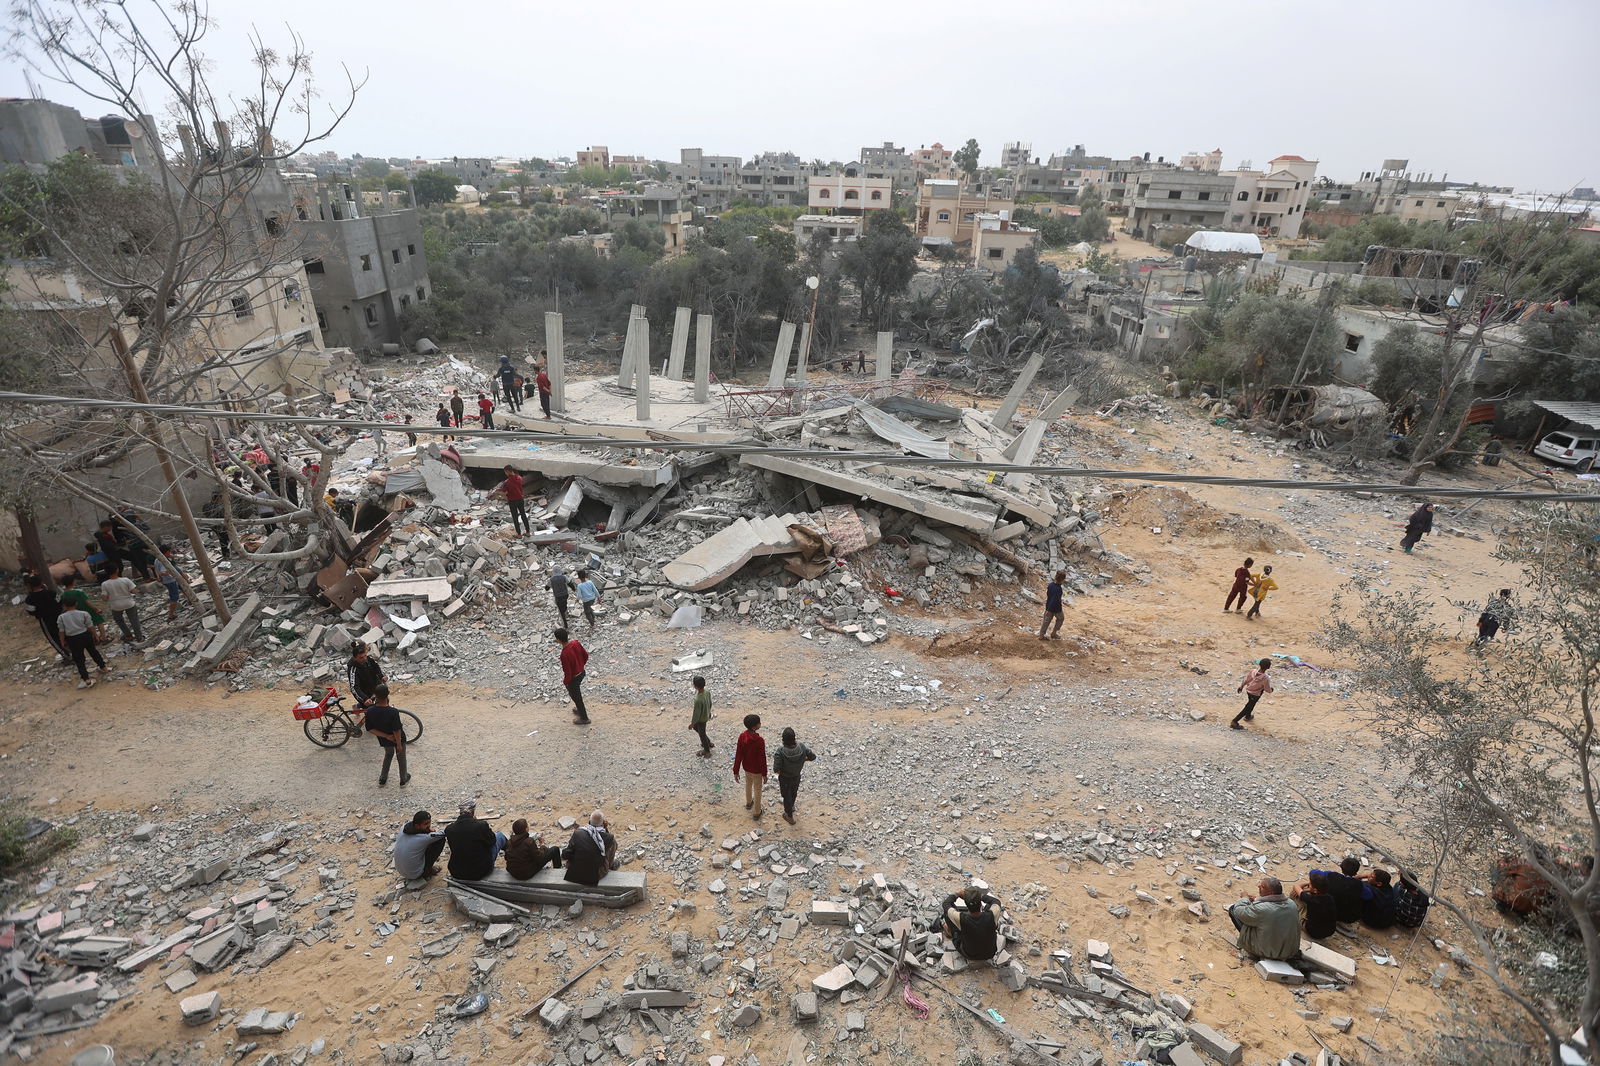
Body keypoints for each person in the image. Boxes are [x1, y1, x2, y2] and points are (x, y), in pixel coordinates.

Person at [1227, 876, 1301, 961]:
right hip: (1290, 951)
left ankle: (1254, 950)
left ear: (1270, 892)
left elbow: (1239, 911)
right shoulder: (1291, 904)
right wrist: (1257, 900)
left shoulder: (1262, 909)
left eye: (1262, 887)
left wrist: (1244, 898)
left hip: (1269, 953)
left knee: (1233, 909)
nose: (1258, 886)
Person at [444, 800, 506, 881]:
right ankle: (515, 859)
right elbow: (492, 841)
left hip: (457, 872)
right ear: (472, 813)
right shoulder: (481, 825)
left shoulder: (449, 829)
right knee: (500, 836)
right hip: (480, 871)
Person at [365, 684, 410, 787]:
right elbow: (396, 730)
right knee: (401, 757)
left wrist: (386, 736)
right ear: (388, 694)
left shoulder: (370, 711)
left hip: (384, 740)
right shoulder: (393, 712)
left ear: (375, 696)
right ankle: (403, 779)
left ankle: (383, 779)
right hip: (397, 739)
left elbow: (370, 728)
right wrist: (398, 744)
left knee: (388, 755)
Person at [939, 886, 1001, 961]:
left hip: (969, 954)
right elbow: (996, 901)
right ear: (980, 904)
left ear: (966, 904)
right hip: (990, 953)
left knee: (948, 913)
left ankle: (950, 932)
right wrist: (979, 896)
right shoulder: (992, 915)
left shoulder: (961, 918)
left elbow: (946, 904)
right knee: (990, 906)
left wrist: (957, 894)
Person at [772, 727, 817, 825]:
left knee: (786, 795)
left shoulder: (780, 751)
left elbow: (776, 769)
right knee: (793, 792)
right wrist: (802, 760)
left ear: (783, 740)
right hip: (796, 776)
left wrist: (782, 772)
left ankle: (789, 816)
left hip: (785, 778)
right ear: (794, 738)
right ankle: (791, 806)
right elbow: (812, 757)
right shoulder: (801, 747)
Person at [58, 603, 107, 688]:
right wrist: (95, 635)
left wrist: (62, 641)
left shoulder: (61, 617)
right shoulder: (83, 613)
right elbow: (90, 626)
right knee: (93, 652)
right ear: (76, 604)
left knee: (79, 658)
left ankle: (86, 679)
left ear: (65, 606)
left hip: (72, 638)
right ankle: (103, 667)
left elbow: (61, 631)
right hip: (85, 635)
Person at [1306, 857, 1368, 924]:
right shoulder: (1359, 884)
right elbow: (1369, 896)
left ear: (1340, 866)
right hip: (1348, 917)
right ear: (1355, 872)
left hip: (1329, 911)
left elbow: (1313, 873)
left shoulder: (1330, 875)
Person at [562, 810, 617, 886]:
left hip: (574, 873)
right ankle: (610, 867)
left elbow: (566, 854)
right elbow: (608, 851)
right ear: (604, 823)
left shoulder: (578, 833)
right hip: (595, 875)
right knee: (611, 847)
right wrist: (606, 829)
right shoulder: (609, 838)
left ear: (589, 822)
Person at [393, 810, 446, 880]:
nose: (429, 825)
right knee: (440, 840)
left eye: (429, 822)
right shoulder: (423, 838)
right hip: (415, 874)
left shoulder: (403, 828)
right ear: (417, 826)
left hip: (401, 871)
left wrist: (427, 829)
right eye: (426, 824)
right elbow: (443, 834)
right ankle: (427, 871)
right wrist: (433, 831)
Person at [99, 566, 144, 645]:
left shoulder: (105, 584)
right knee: (134, 620)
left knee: (119, 621)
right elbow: (134, 591)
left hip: (116, 606)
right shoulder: (125, 580)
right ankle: (139, 637)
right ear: (117, 570)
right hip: (128, 603)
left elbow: (104, 598)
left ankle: (128, 635)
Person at [733, 713, 767, 819]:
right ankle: (757, 812)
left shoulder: (742, 737)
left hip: (747, 767)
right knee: (757, 789)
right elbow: (762, 758)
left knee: (748, 784)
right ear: (754, 727)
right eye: (758, 723)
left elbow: (738, 754)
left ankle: (748, 803)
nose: (760, 724)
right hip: (757, 770)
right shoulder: (759, 741)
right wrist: (764, 773)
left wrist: (736, 770)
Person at [22, 575, 65, 658]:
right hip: (59, 616)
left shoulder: (29, 599)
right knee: (64, 633)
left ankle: (66, 655)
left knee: (53, 638)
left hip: (45, 620)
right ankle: (74, 651)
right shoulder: (51, 593)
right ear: (41, 583)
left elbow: (31, 611)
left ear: (29, 586)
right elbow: (60, 602)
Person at [1289, 870, 1339, 940]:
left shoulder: (1311, 900)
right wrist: (1310, 888)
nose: (1309, 885)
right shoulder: (1330, 898)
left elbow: (1296, 886)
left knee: (1294, 895)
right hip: (1329, 931)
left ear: (1315, 890)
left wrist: (1307, 886)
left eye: (1310, 884)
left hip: (1313, 932)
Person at [58, 574, 108, 643]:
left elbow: (64, 606)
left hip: (76, 611)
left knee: (87, 626)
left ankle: (94, 639)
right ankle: (103, 638)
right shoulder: (79, 592)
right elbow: (87, 602)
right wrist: (95, 609)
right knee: (99, 622)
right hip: (87, 609)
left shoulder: (63, 595)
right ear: (73, 582)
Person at [555, 627, 590, 724]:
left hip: (573, 678)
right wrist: (581, 665)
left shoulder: (564, 654)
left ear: (558, 640)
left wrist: (566, 682)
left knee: (576, 696)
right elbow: (586, 655)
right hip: (581, 673)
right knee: (576, 695)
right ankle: (580, 710)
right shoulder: (576, 643)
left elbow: (568, 672)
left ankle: (584, 718)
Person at [1230, 658, 1273, 730]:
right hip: (1256, 694)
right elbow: (1267, 689)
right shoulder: (1265, 678)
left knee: (1251, 704)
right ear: (1268, 667)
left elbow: (1246, 679)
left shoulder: (1253, 671)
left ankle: (1248, 716)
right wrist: (1271, 690)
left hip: (1249, 691)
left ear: (1259, 664)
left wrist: (1241, 687)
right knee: (1248, 706)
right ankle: (1234, 721)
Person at [490, 465, 530, 536]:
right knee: (523, 515)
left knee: (515, 517)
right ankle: (528, 532)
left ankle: (519, 534)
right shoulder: (519, 478)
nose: (505, 473)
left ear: (507, 471)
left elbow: (503, 491)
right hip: (520, 499)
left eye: (505, 472)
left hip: (512, 501)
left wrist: (496, 491)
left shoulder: (507, 482)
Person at [347, 641, 386, 711]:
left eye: (365, 655)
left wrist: (381, 676)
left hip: (374, 686)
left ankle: (358, 707)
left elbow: (376, 666)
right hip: (364, 693)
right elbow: (354, 687)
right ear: (355, 658)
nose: (365, 658)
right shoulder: (353, 669)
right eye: (361, 658)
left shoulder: (368, 659)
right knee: (372, 711)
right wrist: (365, 699)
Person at [151, 550, 182, 621]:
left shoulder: (157, 559)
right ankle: (171, 615)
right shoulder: (163, 561)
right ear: (166, 552)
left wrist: (158, 576)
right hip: (170, 581)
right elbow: (163, 572)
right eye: (169, 552)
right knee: (174, 597)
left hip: (166, 581)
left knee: (180, 588)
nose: (170, 553)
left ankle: (190, 600)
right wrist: (170, 572)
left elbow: (157, 570)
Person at [689, 674, 713, 757]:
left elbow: (696, 714)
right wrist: (709, 713)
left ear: (695, 686)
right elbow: (710, 703)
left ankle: (707, 750)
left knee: (701, 734)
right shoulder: (707, 692)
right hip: (706, 715)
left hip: (701, 720)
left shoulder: (698, 700)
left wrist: (692, 723)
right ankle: (708, 742)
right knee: (699, 730)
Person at [1038, 569, 1066, 640]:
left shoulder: (1050, 585)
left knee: (1046, 621)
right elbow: (1054, 600)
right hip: (1055, 608)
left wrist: (1047, 608)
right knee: (1060, 618)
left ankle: (1042, 635)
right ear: (1062, 579)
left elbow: (1049, 596)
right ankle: (1053, 633)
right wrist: (1049, 609)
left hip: (1049, 605)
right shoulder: (1058, 589)